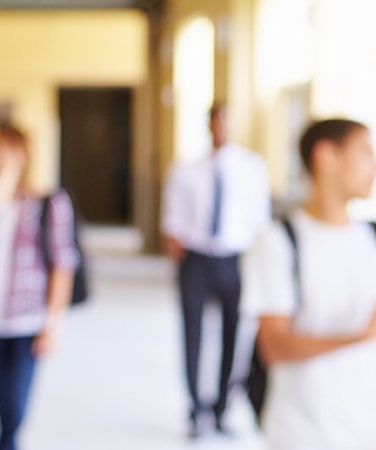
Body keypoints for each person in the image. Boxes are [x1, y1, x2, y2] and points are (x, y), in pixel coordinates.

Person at [242, 119, 376, 450]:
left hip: (374, 433)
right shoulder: (278, 242)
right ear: (325, 156)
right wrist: (360, 336)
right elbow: (275, 346)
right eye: (365, 153)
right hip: (300, 434)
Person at [0, 121, 78, 450]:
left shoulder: (48, 203)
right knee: (3, 405)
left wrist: (53, 324)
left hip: (26, 319)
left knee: (14, 411)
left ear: (24, 155)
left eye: (7, 148)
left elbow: (63, 266)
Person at [161, 102, 271, 436]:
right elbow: (173, 219)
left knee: (232, 335)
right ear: (208, 126)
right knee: (193, 333)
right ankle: (196, 409)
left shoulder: (253, 168)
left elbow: (260, 220)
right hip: (196, 257)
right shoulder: (186, 170)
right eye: (217, 121)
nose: (222, 127)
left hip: (234, 258)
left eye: (228, 121)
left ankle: (222, 407)